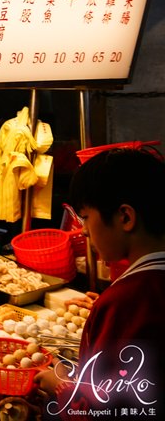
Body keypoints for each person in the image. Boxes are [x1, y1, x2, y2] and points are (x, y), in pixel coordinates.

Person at [34, 147, 165, 418]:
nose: (83, 229)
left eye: (85, 216)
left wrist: (61, 388)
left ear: (125, 218)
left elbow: (106, 409)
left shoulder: (125, 302)